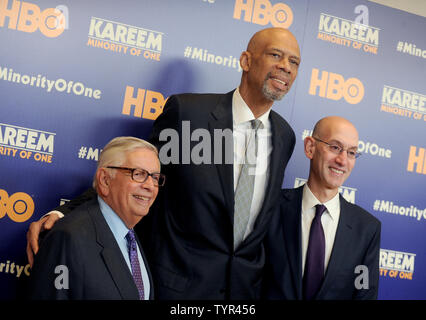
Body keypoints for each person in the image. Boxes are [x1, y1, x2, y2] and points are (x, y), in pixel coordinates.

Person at [27, 27, 301, 299]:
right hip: (178, 289)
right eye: (275, 55)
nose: (286, 67)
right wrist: (65, 214)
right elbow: (134, 176)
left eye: (294, 62)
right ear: (246, 61)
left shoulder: (284, 136)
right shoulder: (190, 115)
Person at [28, 137, 164, 300]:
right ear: (105, 180)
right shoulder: (67, 238)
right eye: (138, 174)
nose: (150, 186)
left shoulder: (132, 238)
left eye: (155, 177)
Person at [263, 116, 381, 300]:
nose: (343, 160)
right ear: (310, 147)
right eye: (335, 147)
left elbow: (364, 292)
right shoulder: (271, 206)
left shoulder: (366, 230)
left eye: (351, 153)